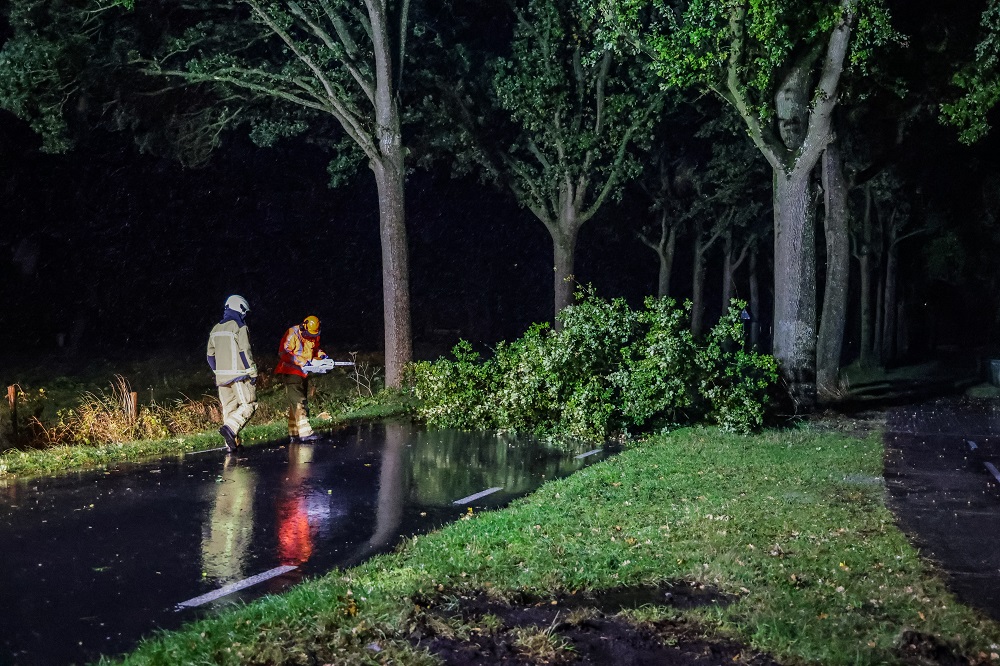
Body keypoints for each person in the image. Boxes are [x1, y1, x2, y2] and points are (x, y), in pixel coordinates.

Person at [206, 295, 258, 452]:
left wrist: (218, 372)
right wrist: (253, 372)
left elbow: (210, 356)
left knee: (229, 410)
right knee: (249, 404)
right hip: (239, 376)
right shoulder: (239, 326)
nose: (244, 315)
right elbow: (244, 351)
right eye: (244, 312)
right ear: (240, 308)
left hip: (222, 379)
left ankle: (232, 445)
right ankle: (230, 429)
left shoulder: (215, 329)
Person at [275, 315, 328, 443]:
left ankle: (294, 433)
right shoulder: (292, 333)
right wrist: (301, 362)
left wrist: (322, 357)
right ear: (304, 327)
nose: (312, 337)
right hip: (291, 371)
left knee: (296, 404)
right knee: (299, 402)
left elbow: (316, 349)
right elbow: (283, 353)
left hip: (303, 373)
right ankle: (306, 433)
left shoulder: (314, 334)